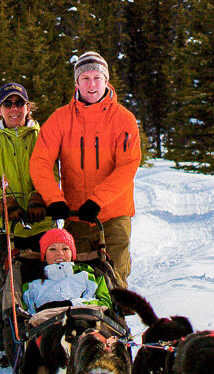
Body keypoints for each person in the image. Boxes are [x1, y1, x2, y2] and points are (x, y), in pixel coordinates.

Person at [29, 51, 141, 285]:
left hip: (114, 214)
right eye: (85, 78)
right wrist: (54, 199)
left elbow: (127, 167)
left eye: (97, 78)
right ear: (77, 82)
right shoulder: (60, 119)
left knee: (115, 280)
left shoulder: (124, 119)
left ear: (106, 80)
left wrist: (98, 200)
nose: (92, 84)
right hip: (76, 215)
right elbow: (40, 162)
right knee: (77, 281)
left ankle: (116, 318)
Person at [0, 82, 54, 367]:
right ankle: (4, 347)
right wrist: (1, 202)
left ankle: (46, 342)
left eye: (19, 103)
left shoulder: (42, 136)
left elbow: (50, 169)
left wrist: (40, 195)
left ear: (27, 107)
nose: (14, 109)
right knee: (10, 286)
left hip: (41, 223)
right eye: (7, 104)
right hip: (5, 227)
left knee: (45, 281)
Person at [22, 228, 112, 311]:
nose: (59, 253)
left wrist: (73, 304)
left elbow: (105, 304)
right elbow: (25, 315)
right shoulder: (33, 286)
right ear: (44, 256)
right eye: (52, 249)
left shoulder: (88, 276)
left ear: (72, 254)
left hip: (84, 320)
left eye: (65, 248)